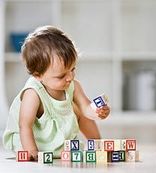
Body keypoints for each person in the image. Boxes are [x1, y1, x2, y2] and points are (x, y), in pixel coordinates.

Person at [3, 26, 110, 160]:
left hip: (57, 135)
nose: (70, 77)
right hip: (33, 140)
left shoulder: (73, 85)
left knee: (80, 112)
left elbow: (86, 108)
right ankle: (39, 150)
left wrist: (97, 112)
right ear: (38, 76)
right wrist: (33, 153)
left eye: (72, 69)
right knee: (28, 140)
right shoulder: (33, 93)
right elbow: (24, 126)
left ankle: (98, 145)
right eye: (61, 76)